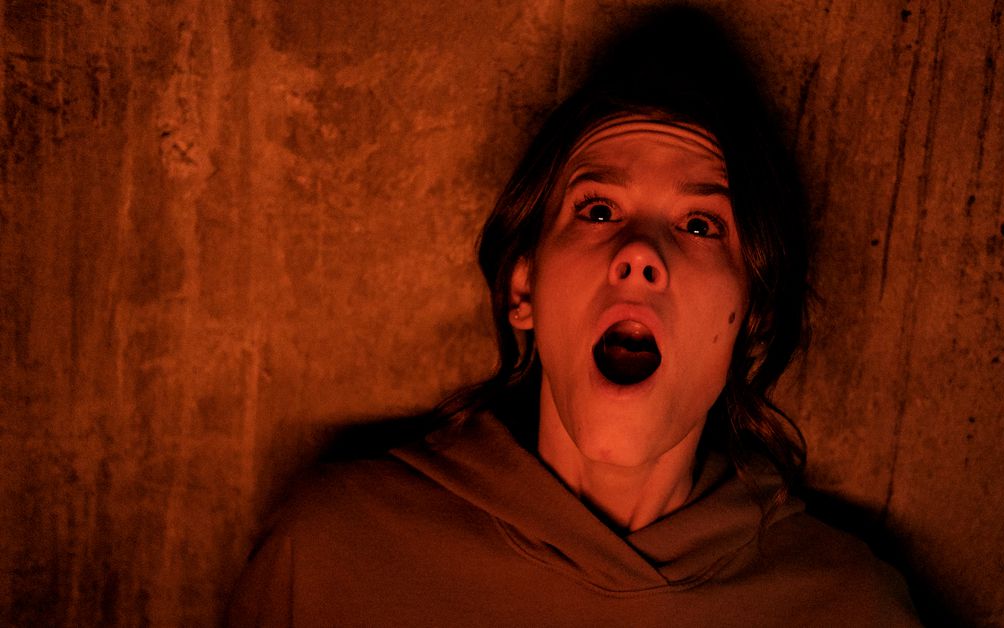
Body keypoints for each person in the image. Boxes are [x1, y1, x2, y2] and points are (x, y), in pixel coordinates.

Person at [228, 9, 919, 627]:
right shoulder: (330, 558)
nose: (639, 254)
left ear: (753, 315)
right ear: (523, 288)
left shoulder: (850, 610)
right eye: (598, 210)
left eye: (699, 224)